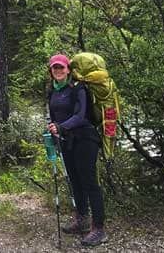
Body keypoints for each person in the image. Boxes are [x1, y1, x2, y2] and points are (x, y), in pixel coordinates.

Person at [46, 53, 107, 247]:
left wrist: (61, 127)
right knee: (75, 181)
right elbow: (54, 116)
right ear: (51, 71)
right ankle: (82, 220)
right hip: (67, 141)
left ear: (68, 70)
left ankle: (99, 229)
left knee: (89, 182)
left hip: (85, 139)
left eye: (61, 67)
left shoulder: (78, 88)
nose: (58, 70)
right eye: (55, 68)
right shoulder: (53, 90)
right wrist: (53, 129)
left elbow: (80, 116)